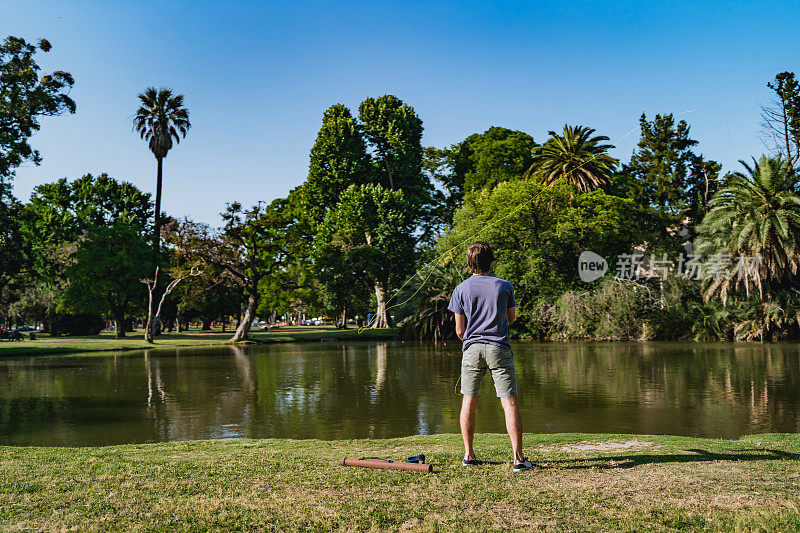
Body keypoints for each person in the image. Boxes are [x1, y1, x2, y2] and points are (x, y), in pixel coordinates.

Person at [447, 241, 536, 472]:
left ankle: (468, 455)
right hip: (499, 348)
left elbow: (459, 331)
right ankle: (518, 459)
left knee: (469, 401)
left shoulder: (460, 289)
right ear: (490, 261)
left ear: (469, 262)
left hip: (472, 349)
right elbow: (511, 319)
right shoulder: (505, 285)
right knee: (509, 402)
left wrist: (470, 341)